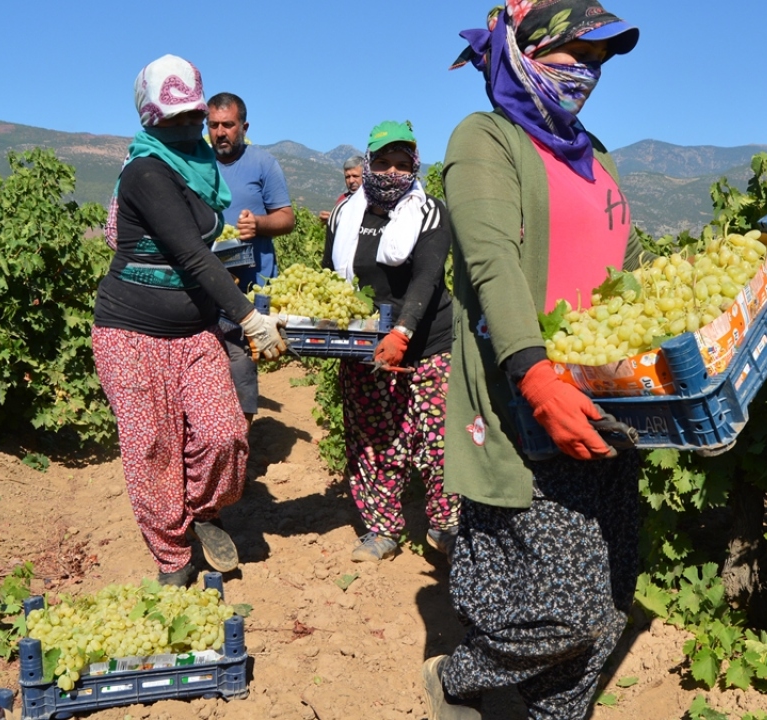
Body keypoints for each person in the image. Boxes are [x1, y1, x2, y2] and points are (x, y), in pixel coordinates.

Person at [423, 3, 642, 719]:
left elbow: (626, 266)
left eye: (599, 60)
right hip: (525, 400)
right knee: (558, 609)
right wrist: (536, 371)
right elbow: (491, 262)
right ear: (528, 51)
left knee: (609, 598)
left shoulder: (592, 152)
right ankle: (459, 677)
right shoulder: (485, 139)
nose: (588, 71)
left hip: (606, 401)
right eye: (574, 51)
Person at [93, 55, 287, 588]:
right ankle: (173, 557)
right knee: (150, 449)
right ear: (150, 117)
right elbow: (193, 256)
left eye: (191, 116)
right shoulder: (145, 170)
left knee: (225, 434)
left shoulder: (199, 164)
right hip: (129, 334)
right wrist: (251, 319)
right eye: (173, 117)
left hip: (192, 330)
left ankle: (203, 512)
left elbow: (204, 252)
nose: (186, 126)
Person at [321, 120, 461, 563]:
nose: (392, 172)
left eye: (403, 164)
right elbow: (330, 277)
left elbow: (427, 277)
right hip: (365, 348)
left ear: (415, 166)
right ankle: (383, 529)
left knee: (439, 440)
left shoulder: (430, 211)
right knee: (374, 440)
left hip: (428, 343)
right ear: (368, 162)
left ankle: (446, 525)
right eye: (383, 162)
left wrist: (402, 331)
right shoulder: (346, 214)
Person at [207, 92, 295, 422]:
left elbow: (286, 218)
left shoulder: (263, 163)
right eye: (213, 125)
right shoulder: (198, 162)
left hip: (248, 287)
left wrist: (258, 224)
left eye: (228, 125)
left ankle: (240, 443)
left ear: (243, 126)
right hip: (204, 280)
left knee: (240, 361)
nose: (220, 132)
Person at [319, 155, 364, 224]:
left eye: (355, 176)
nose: (351, 181)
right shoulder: (342, 199)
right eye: (347, 177)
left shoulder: (373, 200)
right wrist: (331, 219)